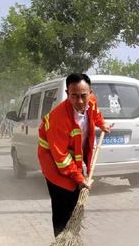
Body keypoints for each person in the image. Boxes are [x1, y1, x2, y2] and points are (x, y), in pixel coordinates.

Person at [38, 73, 111, 237]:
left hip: (72, 161)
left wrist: (101, 124)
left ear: (90, 93)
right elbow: (60, 157)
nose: (80, 101)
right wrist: (79, 178)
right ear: (67, 93)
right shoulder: (58, 119)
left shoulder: (90, 102)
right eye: (74, 96)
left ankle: (73, 240)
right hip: (54, 163)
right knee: (63, 205)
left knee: (76, 201)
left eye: (83, 96)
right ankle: (61, 243)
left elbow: (95, 113)